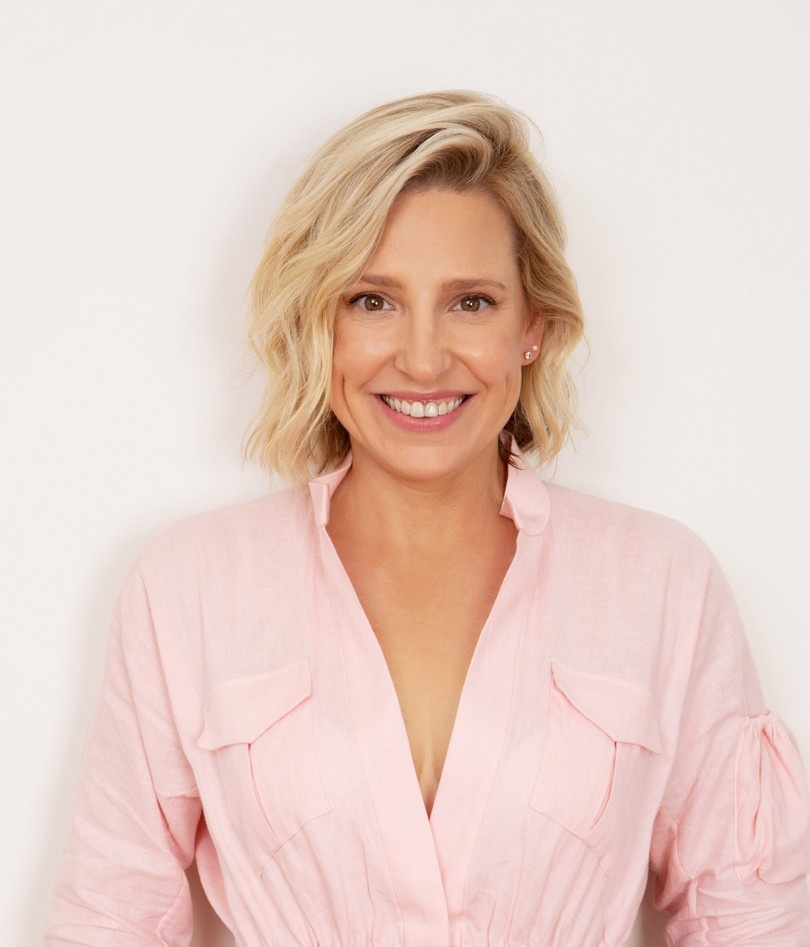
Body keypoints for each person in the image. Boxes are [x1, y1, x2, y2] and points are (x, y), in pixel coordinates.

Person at [44, 91, 810, 945]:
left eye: (470, 302)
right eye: (372, 300)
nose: (421, 357)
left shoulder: (664, 584)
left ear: (532, 325)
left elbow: (750, 915)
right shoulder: (187, 588)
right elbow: (110, 916)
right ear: (319, 320)